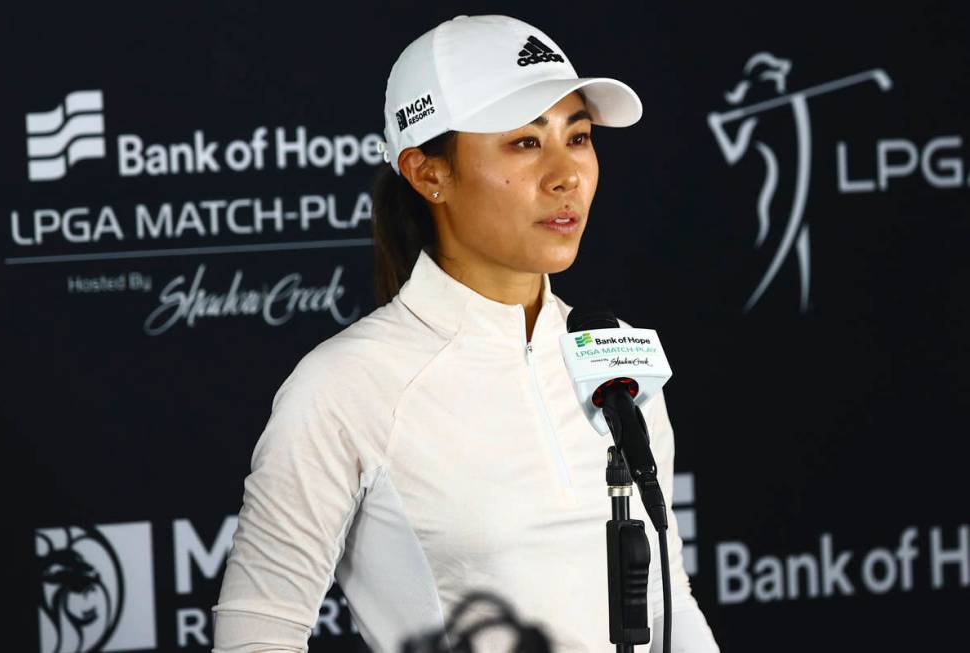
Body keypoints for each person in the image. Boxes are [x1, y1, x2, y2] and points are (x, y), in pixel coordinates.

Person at [212, 14, 720, 653]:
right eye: (525, 143)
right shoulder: (345, 385)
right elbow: (257, 634)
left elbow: (667, 602)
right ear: (429, 174)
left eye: (580, 136)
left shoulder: (617, 358)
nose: (568, 174)